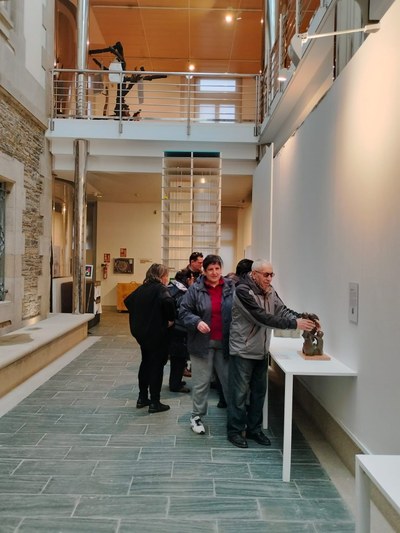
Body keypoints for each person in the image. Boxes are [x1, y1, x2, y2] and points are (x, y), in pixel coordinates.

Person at [227, 259, 318, 448]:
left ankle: (254, 430)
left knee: (259, 394)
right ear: (254, 274)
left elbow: (281, 310)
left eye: (271, 275)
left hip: (261, 351)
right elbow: (261, 317)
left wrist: (303, 318)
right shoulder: (243, 291)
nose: (269, 278)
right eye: (266, 275)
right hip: (243, 351)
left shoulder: (270, 290)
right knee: (239, 395)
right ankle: (235, 431)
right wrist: (294, 324)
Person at [179, 254, 234, 435]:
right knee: (201, 383)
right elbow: (183, 311)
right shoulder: (195, 289)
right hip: (201, 344)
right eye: (210, 269)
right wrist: (196, 321)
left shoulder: (230, 287)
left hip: (225, 343)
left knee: (228, 381)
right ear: (204, 271)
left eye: (217, 268)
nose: (214, 272)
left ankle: (235, 417)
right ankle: (196, 416)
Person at [124, 263, 175, 414]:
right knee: (157, 367)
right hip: (157, 334)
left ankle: (142, 398)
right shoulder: (161, 289)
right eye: (166, 275)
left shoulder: (142, 288)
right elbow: (168, 302)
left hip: (142, 334)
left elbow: (128, 301)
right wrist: (170, 319)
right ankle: (155, 402)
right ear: (161, 276)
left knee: (145, 363)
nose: (167, 278)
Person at [167, 268, 195, 393]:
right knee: (179, 358)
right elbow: (183, 311)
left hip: (172, 328)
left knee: (175, 358)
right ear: (188, 279)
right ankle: (175, 384)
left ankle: (175, 381)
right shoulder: (183, 292)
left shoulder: (170, 287)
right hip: (180, 328)